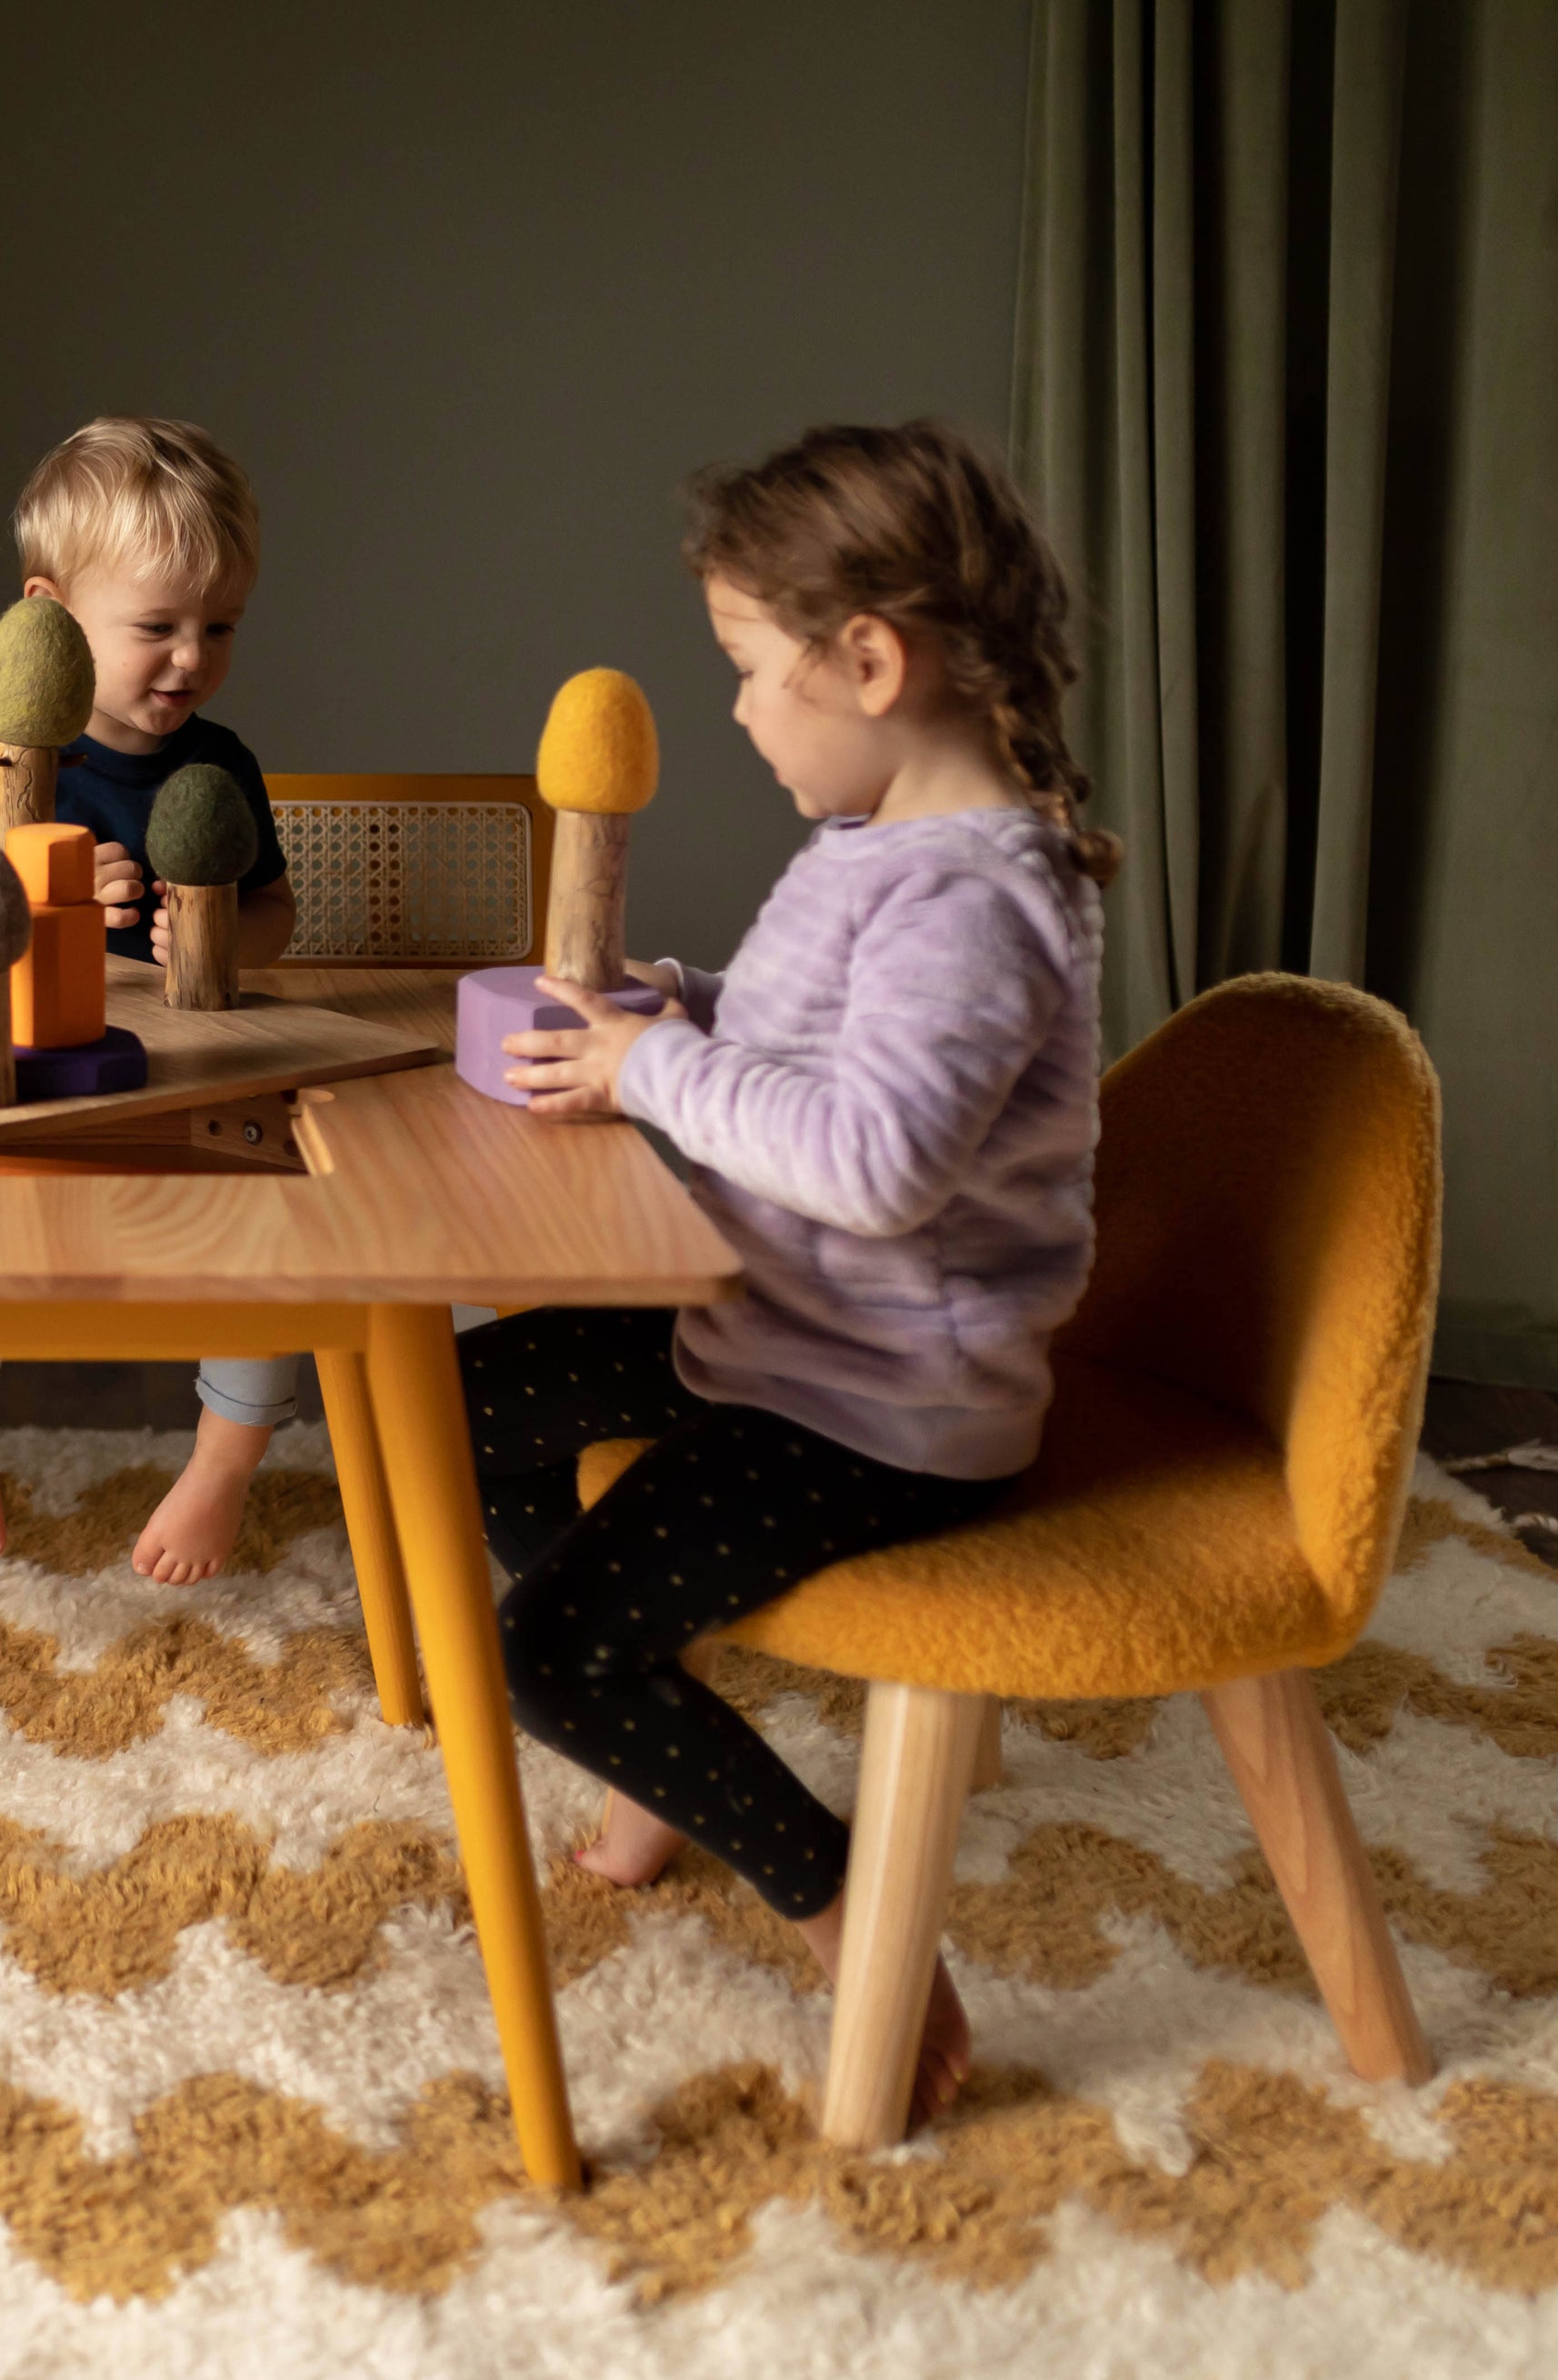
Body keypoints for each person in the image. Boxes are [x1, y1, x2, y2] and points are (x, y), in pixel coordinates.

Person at [465, 419, 1120, 2125]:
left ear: (872, 658)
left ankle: (849, 1910)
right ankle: (651, 1736)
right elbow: (801, 1042)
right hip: (775, 1333)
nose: (742, 713)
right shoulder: (873, 848)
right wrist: (667, 1005)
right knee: (462, 1413)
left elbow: (877, 1164)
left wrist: (646, 1077)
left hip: (880, 1409)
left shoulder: (972, 901)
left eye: (752, 672)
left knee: (548, 1650)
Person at [0, 415, 299, 1584]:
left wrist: (216, 925)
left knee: (289, 1233)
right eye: (156, 628)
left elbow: (275, 913)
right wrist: (23, 889)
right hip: (28, 1082)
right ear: (52, 610)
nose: (190, 660)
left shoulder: (219, 763)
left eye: (218, 628)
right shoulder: (0, 753)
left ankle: (223, 1462)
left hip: (185, 1079)